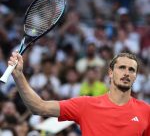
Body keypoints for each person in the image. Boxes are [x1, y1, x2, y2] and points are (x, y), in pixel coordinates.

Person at [9, 52, 150, 136]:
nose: (127, 73)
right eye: (122, 68)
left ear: (136, 76)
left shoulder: (146, 111)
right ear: (110, 73)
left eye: (132, 70)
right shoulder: (86, 105)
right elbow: (39, 107)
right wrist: (18, 75)